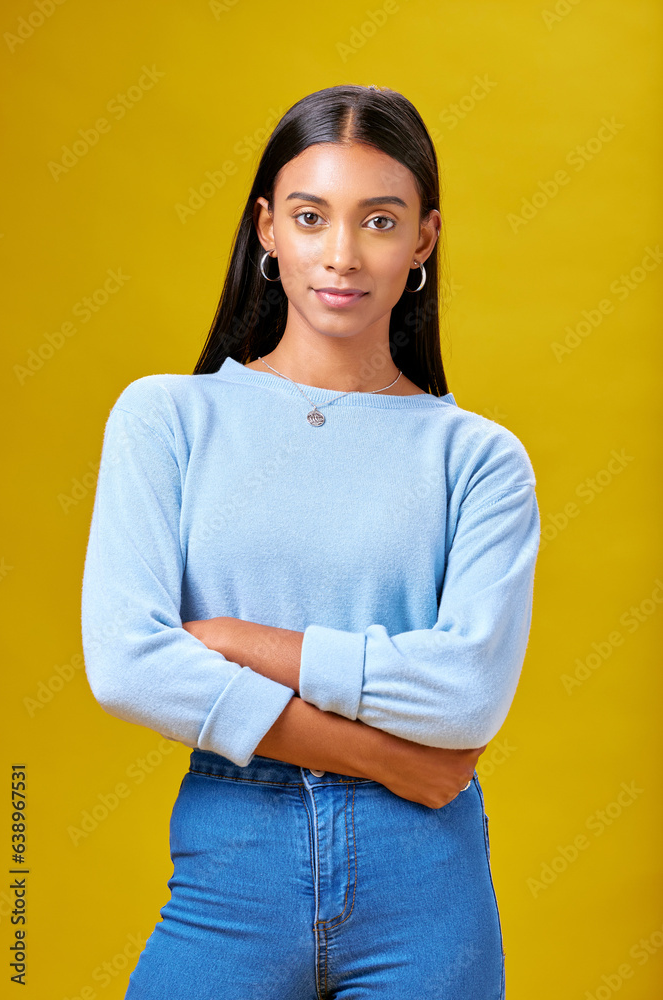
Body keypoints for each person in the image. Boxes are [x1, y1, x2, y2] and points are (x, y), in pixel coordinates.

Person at [81, 83, 540, 1000]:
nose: (340, 255)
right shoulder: (168, 417)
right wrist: (386, 755)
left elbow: (464, 699)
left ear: (423, 240)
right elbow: (125, 665)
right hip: (232, 868)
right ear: (266, 230)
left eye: (378, 219)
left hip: (428, 892)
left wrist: (235, 641)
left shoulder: (478, 458)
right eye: (309, 215)